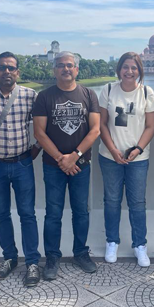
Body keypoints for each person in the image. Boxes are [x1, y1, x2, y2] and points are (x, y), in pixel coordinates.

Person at [0, 52, 42, 286]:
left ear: (18, 72)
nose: (7, 72)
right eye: (2, 67)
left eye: (11, 68)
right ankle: (10, 257)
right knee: (1, 213)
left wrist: (36, 149)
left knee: (27, 214)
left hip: (23, 163)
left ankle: (32, 261)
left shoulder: (29, 95)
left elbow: (44, 127)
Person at [33, 51, 100, 280]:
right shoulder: (44, 97)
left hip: (81, 164)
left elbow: (95, 130)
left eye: (70, 65)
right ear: (55, 70)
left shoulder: (89, 95)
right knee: (53, 213)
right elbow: (39, 133)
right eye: (61, 65)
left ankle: (81, 252)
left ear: (77, 69)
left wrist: (75, 155)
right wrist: (63, 159)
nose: (65, 69)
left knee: (81, 211)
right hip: (54, 166)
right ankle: (52, 256)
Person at [98, 52, 154, 266]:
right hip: (109, 157)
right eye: (125, 67)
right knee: (112, 201)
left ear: (140, 70)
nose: (129, 71)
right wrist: (113, 150)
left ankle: (140, 245)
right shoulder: (108, 90)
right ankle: (112, 241)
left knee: (137, 203)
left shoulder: (146, 93)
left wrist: (138, 149)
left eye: (134, 67)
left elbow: (151, 126)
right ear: (119, 69)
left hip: (138, 159)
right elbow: (102, 124)